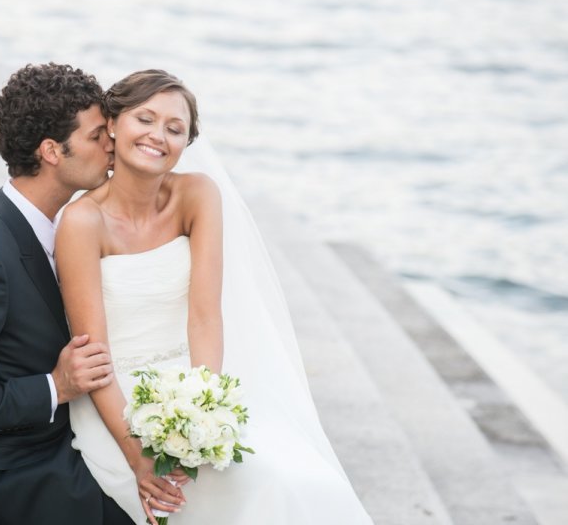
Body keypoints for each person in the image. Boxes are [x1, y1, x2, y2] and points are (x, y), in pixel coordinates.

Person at [57, 69, 375, 525]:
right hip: (118, 402)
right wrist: (137, 455)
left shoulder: (197, 194)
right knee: (259, 486)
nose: (157, 136)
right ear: (113, 124)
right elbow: (94, 353)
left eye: (174, 128)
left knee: (303, 478)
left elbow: (204, 317)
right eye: (144, 119)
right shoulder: (82, 221)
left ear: (188, 143)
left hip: (197, 380)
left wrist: (202, 416)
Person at [0, 63, 175, 524]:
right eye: (96, 136)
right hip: (13, 472)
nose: (111, 144)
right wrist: (55, 386)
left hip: (62, 441)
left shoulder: (67, 227)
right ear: (52, 151)